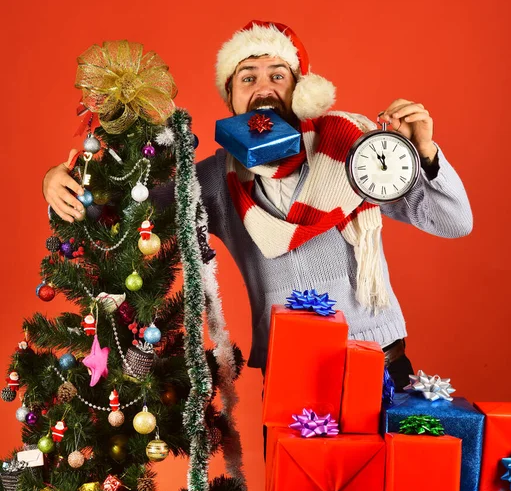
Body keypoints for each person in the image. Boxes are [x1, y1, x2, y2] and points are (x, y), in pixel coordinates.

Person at [42, 20, 473, 394]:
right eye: (247, 77)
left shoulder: (352, 149)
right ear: (230, 97)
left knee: (389, 489)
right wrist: (59, 186)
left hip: (377, 362)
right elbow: (124, 216)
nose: (263, 87)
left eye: (277, 75)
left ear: (301, 89)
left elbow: (455, 222)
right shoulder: (214, 179)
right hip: (291, 377)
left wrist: (428, 153)